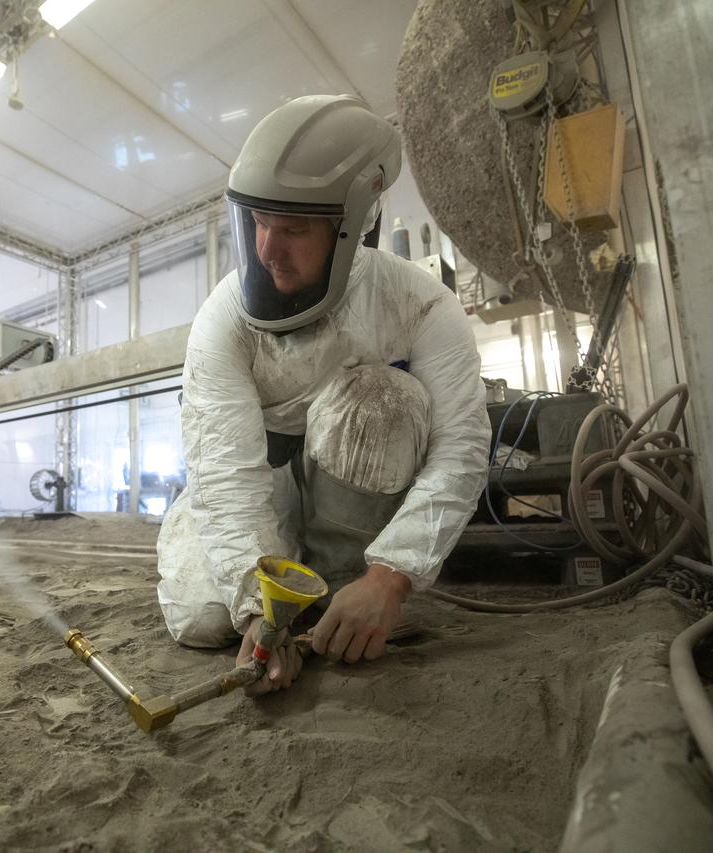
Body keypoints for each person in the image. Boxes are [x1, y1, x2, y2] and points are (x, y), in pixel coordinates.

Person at [156, 94, 490, 695]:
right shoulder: (223, 318)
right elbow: (226, 468)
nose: (266, 249)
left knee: (384, 399)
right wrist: (256, 608)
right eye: (257, 223)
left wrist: (392, 575)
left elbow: (460, 448)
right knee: (206, 621)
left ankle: (343, 583)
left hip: (352, 495)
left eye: (292, 229)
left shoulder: (422, 304)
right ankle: (284, 585)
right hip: (262, 477)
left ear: (353, 222)